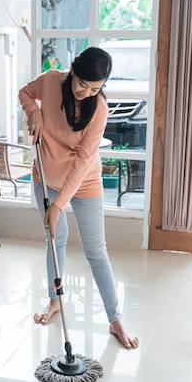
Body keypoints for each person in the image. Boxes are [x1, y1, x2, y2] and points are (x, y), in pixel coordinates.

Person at [18, 47, 139, 349]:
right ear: (72, 71)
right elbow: (25, 92)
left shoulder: (98, 108)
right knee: (55, 242)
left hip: (83, 181)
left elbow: (84, 160)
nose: (86, 92)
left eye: (95, 88)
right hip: (45, 177)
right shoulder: (49, 81)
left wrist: (59, 204)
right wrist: (33, 111)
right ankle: (55, 300)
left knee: (96, 251)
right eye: (82, 84)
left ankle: (115, 319)